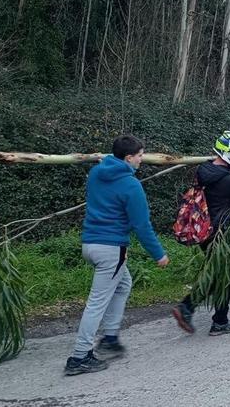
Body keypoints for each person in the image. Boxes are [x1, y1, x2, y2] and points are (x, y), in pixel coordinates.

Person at [65, 135, 170, 376]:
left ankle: (110, 337)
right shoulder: (131, 186)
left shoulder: (96, 172)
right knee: (97, 303)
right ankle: (79, 356)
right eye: (140, 156)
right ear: (128, 158)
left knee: (123, 285)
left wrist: (107, 160)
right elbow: (141, 225)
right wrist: (158, 254)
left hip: (90, 244)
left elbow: (107, 165)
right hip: (111, 249)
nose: (143, 160)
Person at [172, 132, 230, 336]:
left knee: (219, 274)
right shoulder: (229, 180)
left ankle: (193, 310)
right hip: (221, 233)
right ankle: (214, 319)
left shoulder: (205, 170)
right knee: (225, 276)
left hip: (205, 231)